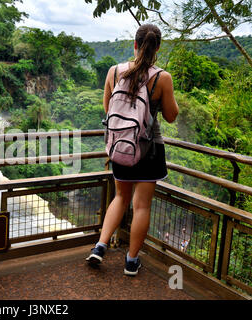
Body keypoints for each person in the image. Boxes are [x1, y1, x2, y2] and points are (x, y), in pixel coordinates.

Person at [86, 24, 179, 276]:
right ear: (157, 48)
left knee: (120, 197)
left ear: (135, 45)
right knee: (141, 206)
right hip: (149, 149)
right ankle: (131, 261)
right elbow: (171, 116)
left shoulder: (115, 71)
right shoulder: (162, 78)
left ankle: (100, 246)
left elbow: (108, 110)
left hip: (120, 146)